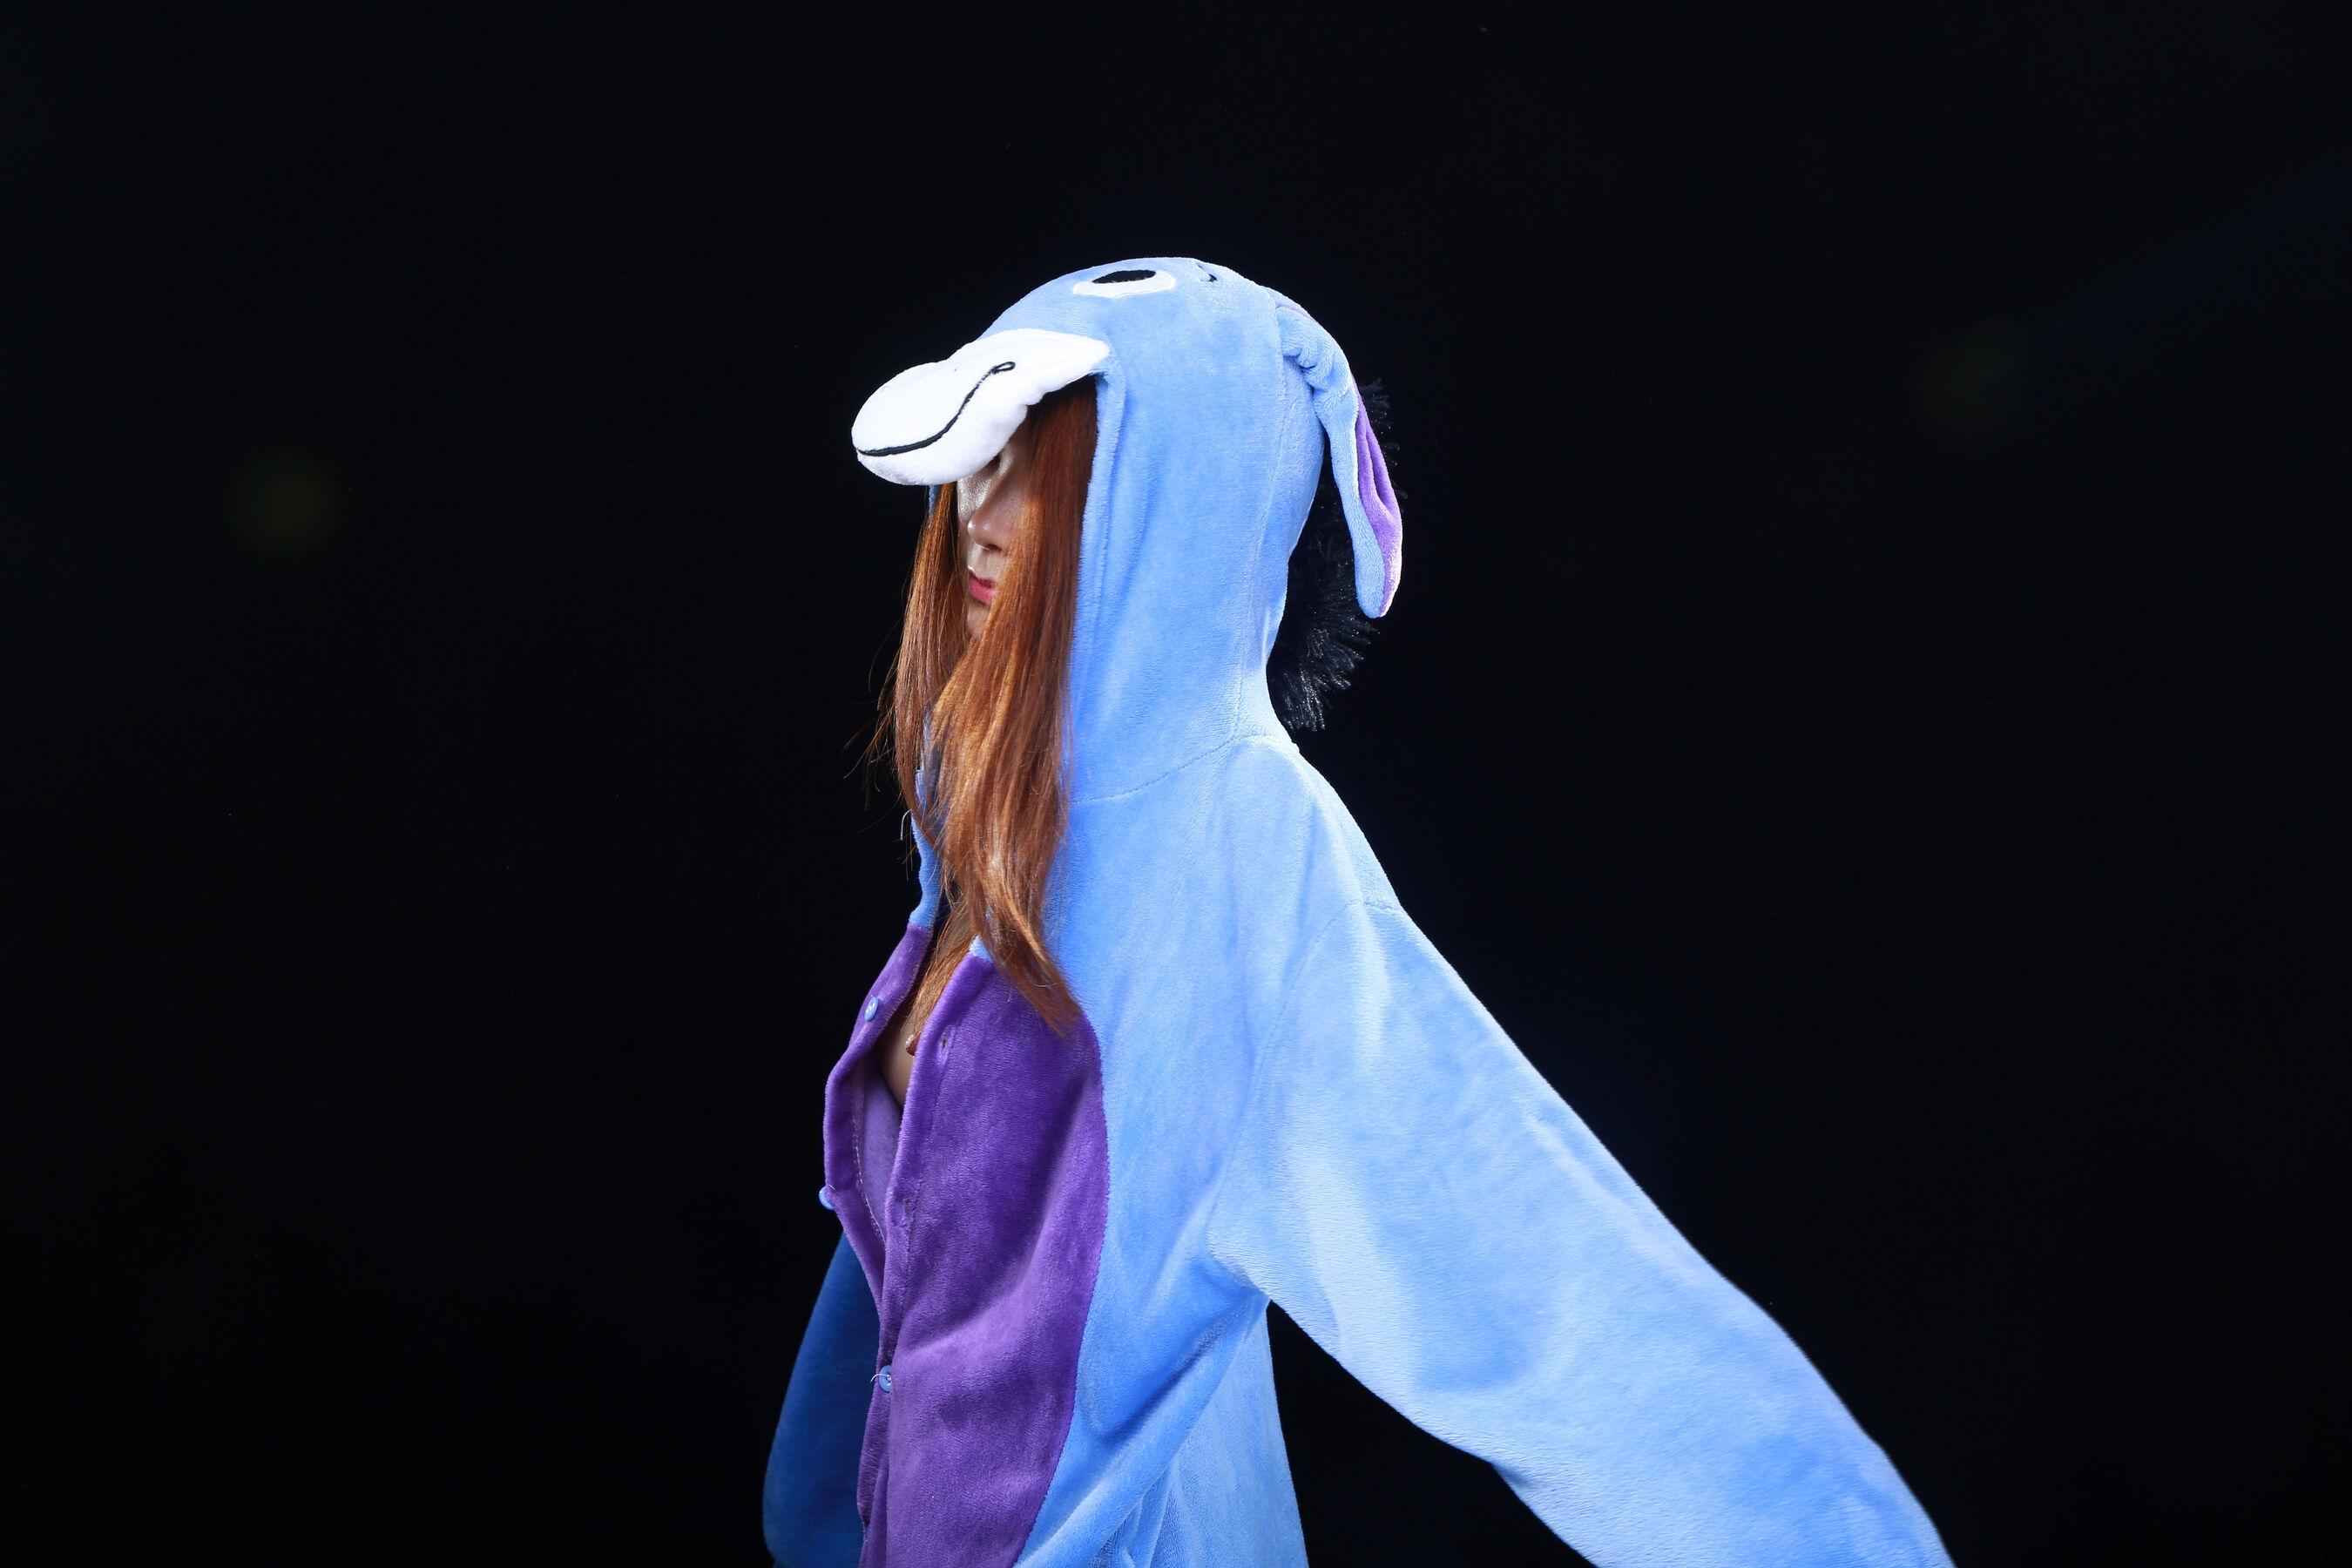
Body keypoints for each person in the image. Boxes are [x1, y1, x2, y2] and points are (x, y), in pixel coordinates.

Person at [761, 257, 1956, 1568]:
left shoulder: (1240, 861)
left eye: (1053, 468)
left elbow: (1550, 1299)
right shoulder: (1002, 808)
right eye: (981, 459)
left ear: (1185, 506)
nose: (980, 519)